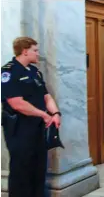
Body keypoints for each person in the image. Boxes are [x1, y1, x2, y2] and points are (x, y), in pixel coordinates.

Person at [1, 37, 62, 197]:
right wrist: (43, 114)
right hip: (19, 128)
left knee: (38, 166)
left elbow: (46, 96)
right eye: (35, 50)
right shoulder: (8, 71)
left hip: (38, 126)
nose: (38, 54)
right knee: (22, 168)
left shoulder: (34, 72)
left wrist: (55, 113)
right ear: (25, 51)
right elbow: (16, 103)